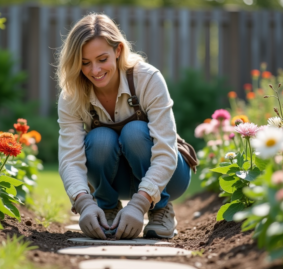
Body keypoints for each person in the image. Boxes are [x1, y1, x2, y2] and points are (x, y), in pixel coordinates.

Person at [56, 13, 191, 240]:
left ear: (118, 51)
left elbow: (167, 150)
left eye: (102, 59)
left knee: (135, 132)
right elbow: (70, 158)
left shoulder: (147, 79)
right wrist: (84, 203)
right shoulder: (72, 95)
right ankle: (107, 208)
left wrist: (139, 204)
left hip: (170, 176)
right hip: (115, 180)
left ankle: (161, 209)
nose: (95, 70)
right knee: (99, 138)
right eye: (85, 63)